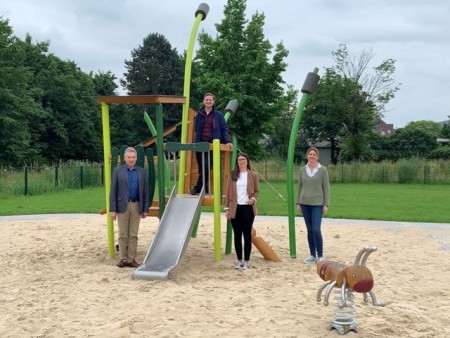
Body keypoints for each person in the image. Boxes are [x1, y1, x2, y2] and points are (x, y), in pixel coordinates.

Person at [110, 147, 150, 268]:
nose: (131, 159)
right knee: (123, 234)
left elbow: (145, 192)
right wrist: (113, 209)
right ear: (125, 158)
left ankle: (131, 259)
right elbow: (113, 191)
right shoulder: (118, 171)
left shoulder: (141, 172)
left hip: (136, 205)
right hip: (122, 205)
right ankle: (122, 258)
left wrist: (145, 209)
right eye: (129, 157)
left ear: (136, 158)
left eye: (133, 157)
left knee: (133, 234)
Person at [190, 93, 233, 195]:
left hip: (213, 144)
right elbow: (197, 129)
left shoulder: (219, 115)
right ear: (204, 101)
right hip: (200, 143)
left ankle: (197, 188)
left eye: (210, 100)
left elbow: (224, 129)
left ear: (213, 102)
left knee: (206, 167)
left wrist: (228, 141)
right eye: (207, 99)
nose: (208, 101)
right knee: (202, 168)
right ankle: (205, 189)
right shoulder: (199, 114)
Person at [224, 153, 259, 270]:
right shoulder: (233, 174)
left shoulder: (253, 175)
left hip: (248, 208)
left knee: (247, 235)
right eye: (239, 159)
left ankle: (247, 261)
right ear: (237, 162)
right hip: (235, 208)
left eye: (244, 159)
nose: (242, 161)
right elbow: (228, 191)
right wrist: (227, 208)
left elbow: (256, 191)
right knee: (237, 235)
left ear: (247, 161)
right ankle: (239, 260)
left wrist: (253, 199)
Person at [296, 147, 330, 264]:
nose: (311, 156)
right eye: (310, 154)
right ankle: (312, 255)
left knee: (316, 229)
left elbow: (326, 188)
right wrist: (298, 202)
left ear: (317, 156)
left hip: (317, 204)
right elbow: (300, 187)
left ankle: (320, 255)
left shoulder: (323, 170)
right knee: (309, 230)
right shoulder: (302, 170)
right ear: (307, 156)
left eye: (314, 154)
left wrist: (326, 204)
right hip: (304, 203)